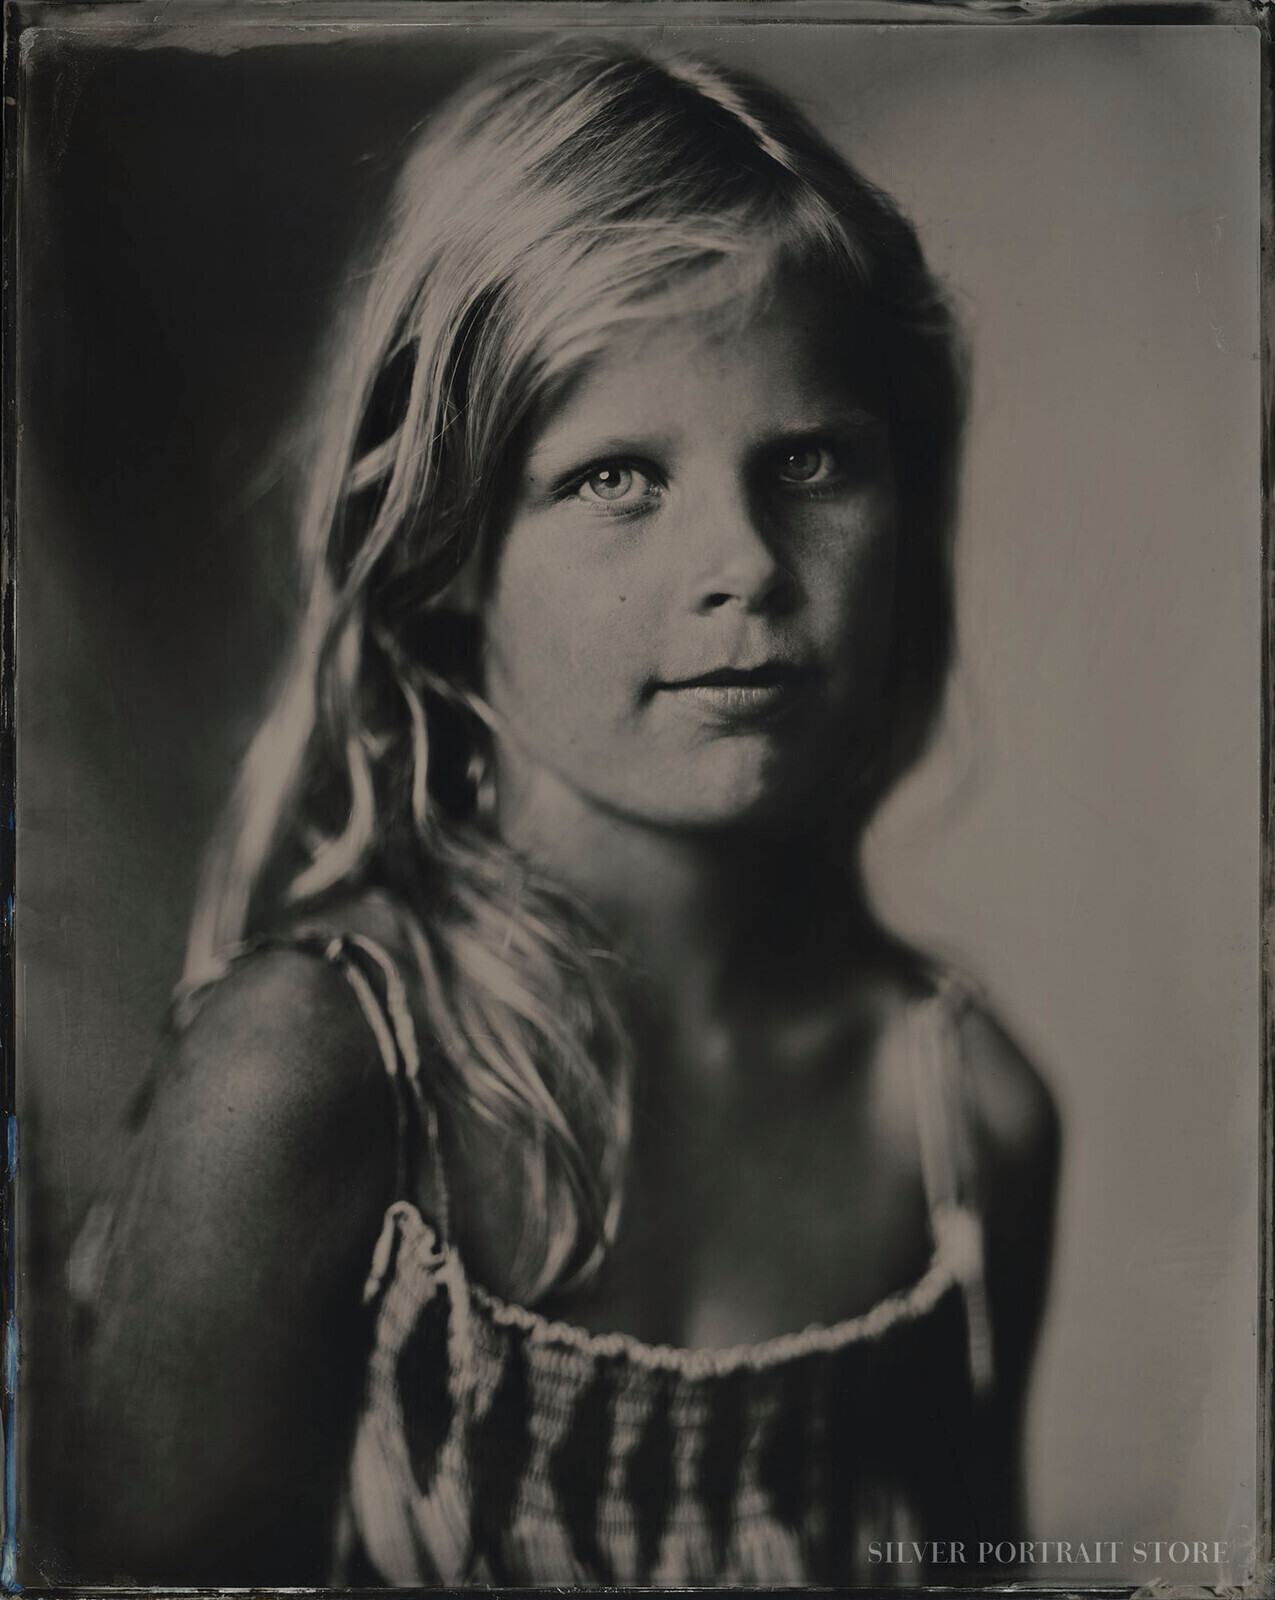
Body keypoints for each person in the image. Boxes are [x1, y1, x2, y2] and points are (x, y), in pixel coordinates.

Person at [68, 39, 1059, 1587]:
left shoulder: (962, 1128)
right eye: (614, 479)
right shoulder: (312, 1084)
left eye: (809, 461)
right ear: (447, 545)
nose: (742, 564)